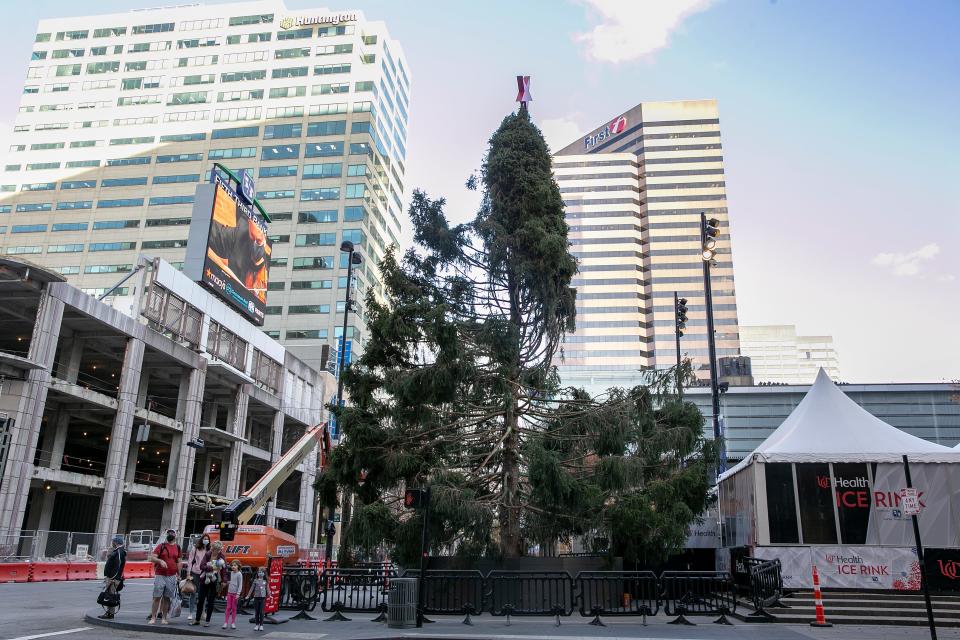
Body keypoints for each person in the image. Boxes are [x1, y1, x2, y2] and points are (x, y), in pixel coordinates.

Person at [147, 528, 181, 625]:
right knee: (157, 597)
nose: (170, 534)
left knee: (167, 598)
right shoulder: (161, 546)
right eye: (169, 533)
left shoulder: (178, 547)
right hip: (160, 574)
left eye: (172, 533)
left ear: (176, 536)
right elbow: (151, 557)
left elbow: (179, 561)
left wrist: (179, 574)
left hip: (171, 575)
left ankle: (164, 618)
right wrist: (160, 561)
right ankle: (153, 617)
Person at [192, 540, 225, 627]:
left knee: (211, 601)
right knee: (200, 600)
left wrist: (224, 580)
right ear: (212, 548)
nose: (217, 551)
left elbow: (224, 569)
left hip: (215, 580)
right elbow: (201, 566)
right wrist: (212, 567)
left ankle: (207, 621)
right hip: (204, 580)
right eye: (215, 549)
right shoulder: (207, 554)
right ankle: (197, 619)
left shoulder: (221, 556)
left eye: (219, 550)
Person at [99, 535, 126, 620]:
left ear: (116, 542)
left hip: (113, 578)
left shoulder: (119, 552)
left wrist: (112, 578)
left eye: (113, 541)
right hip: (113, 577)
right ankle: (109, 613)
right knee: (110, 595)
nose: (112, 543)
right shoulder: (118, 551)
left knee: (110, 596)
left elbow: (118, 566)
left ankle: (110, 614)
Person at [183, 535, 210, 622]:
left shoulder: (209, 550)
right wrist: (188, 573)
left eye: (208, 539)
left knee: (204, 594)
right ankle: (191, 613)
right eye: (205, 539)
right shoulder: (195, 549)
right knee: (193, 592)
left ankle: (202, 613)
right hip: (195, 572)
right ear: (201, 540)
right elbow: (190, 561)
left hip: (205, 573)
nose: (206, 540)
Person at [223, 560, 242, 630]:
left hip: (235, 594)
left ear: (238, 566)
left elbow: (240, 585)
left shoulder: (239, 574)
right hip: (229, 593)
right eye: (232, 565)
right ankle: (225, 622)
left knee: (234, 608)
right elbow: (230, 581)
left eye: (235, 565)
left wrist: (238, 594)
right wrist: (228, 582)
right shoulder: (231, 573)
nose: (233, 567)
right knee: (228, 607)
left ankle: (233, 623)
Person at [251, 567, 267, 631]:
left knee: (261, 612)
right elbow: (251, 588)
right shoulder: (255, 581)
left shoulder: (265, 581)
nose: (260, 573)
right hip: (256, 598)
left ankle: (261, 625)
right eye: (259, 572)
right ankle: (257, 624)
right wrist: (248, 595)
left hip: (263, 598)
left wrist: (270, 595)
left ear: (264, 574)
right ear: (257, 573)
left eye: (262, 572)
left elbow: (267, 589)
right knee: (256, 612)